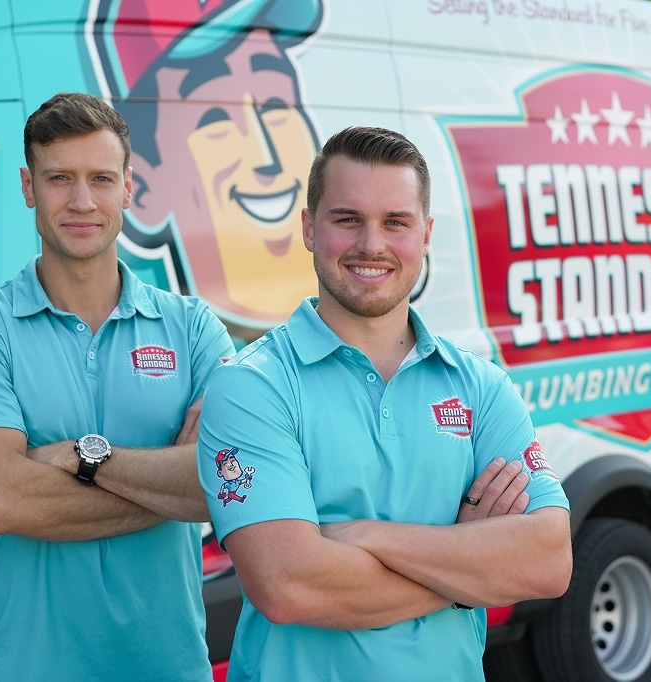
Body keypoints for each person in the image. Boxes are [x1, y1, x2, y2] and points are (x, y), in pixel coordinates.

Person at [197, 126, 573, 681]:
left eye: (396, 222)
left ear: (425, 234)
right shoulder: (252, 385)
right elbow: (289, 586)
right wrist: (470, 570)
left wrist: (366, 536)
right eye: (347, 219)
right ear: (308, 228)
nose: (371, 244)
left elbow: (548, 562)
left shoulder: (482, 386)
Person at [0, 92, 234, 681]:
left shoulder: (194, 327)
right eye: (58, 179)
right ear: (27, 187)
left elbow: (221, 484)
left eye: (100, 178)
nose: (81, 201)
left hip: (165, 665)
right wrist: (167, 478)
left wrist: (80, 457)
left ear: (128, 187)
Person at [102, 0, 323, 326]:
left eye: (276, 105)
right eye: (214, 120)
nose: (267, 159)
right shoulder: (176, 359)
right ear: (144, 190)